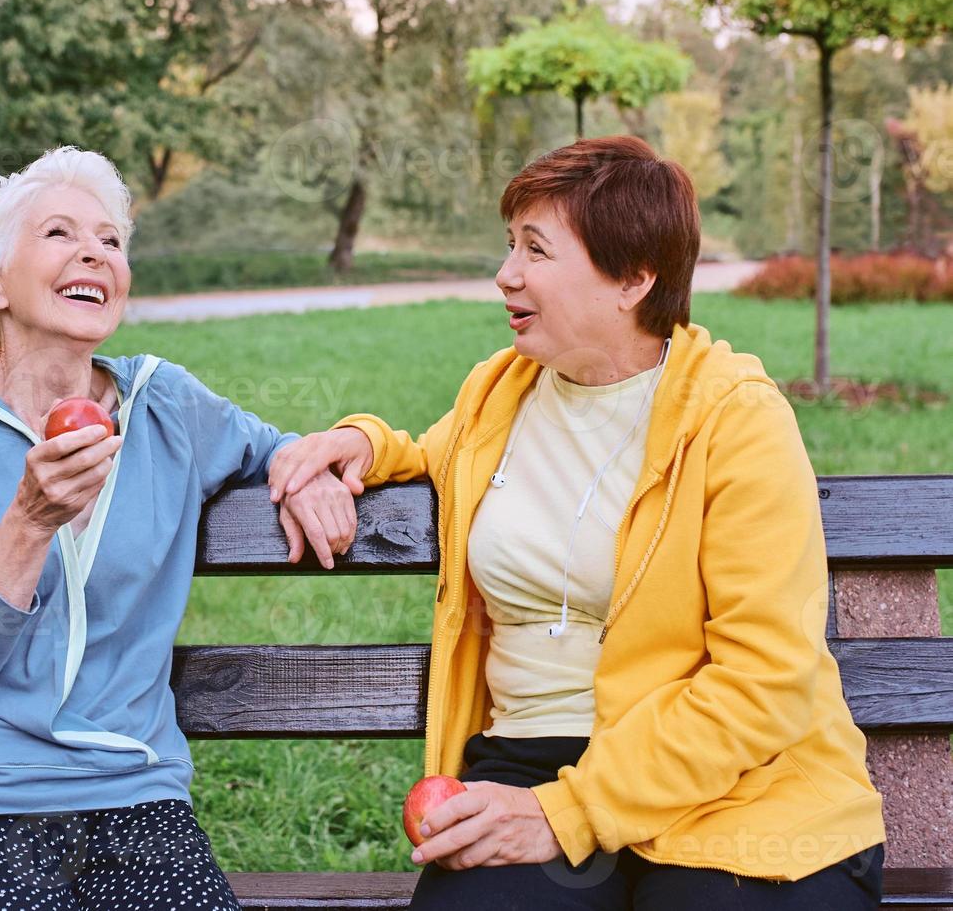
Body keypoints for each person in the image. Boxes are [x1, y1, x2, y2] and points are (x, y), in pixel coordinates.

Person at [267, 136, 886, 909]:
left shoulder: (736, 420)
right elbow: (430, 452)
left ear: (631, 277)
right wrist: (353, 441)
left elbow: (763, 683)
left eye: (535, 249)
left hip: (729, 782)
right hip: (528, 762)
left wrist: (567, 815)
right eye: (508, 245)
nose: (505, 275)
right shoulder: (500, 392)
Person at [0, 146, 346, 910]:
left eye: (110, 241)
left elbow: (275, 446)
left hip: (136, 794)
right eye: (58, 233)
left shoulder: (166, 405)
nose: (93, 251)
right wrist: (28, 522)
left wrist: (310, 465)